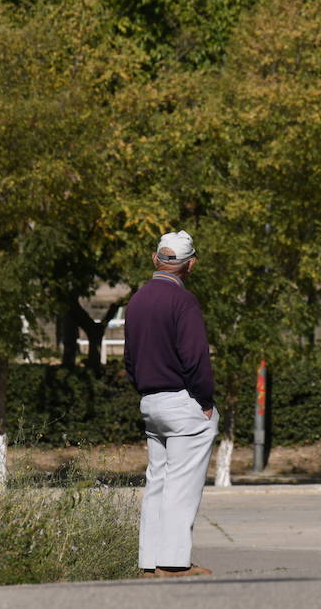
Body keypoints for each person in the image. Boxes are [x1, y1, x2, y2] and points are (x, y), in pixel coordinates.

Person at [123, 230, 218, 579]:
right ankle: (174, 562)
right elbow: (195, 358)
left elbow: (129, 359)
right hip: (182, 401)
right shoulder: (183, 301)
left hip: (150, 401)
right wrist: (205, 400)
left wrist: (144, 390)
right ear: (190, 265)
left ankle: (149, 561)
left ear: (155, 259)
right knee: (182, 482)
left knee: (158, 482)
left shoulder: (136, 300)